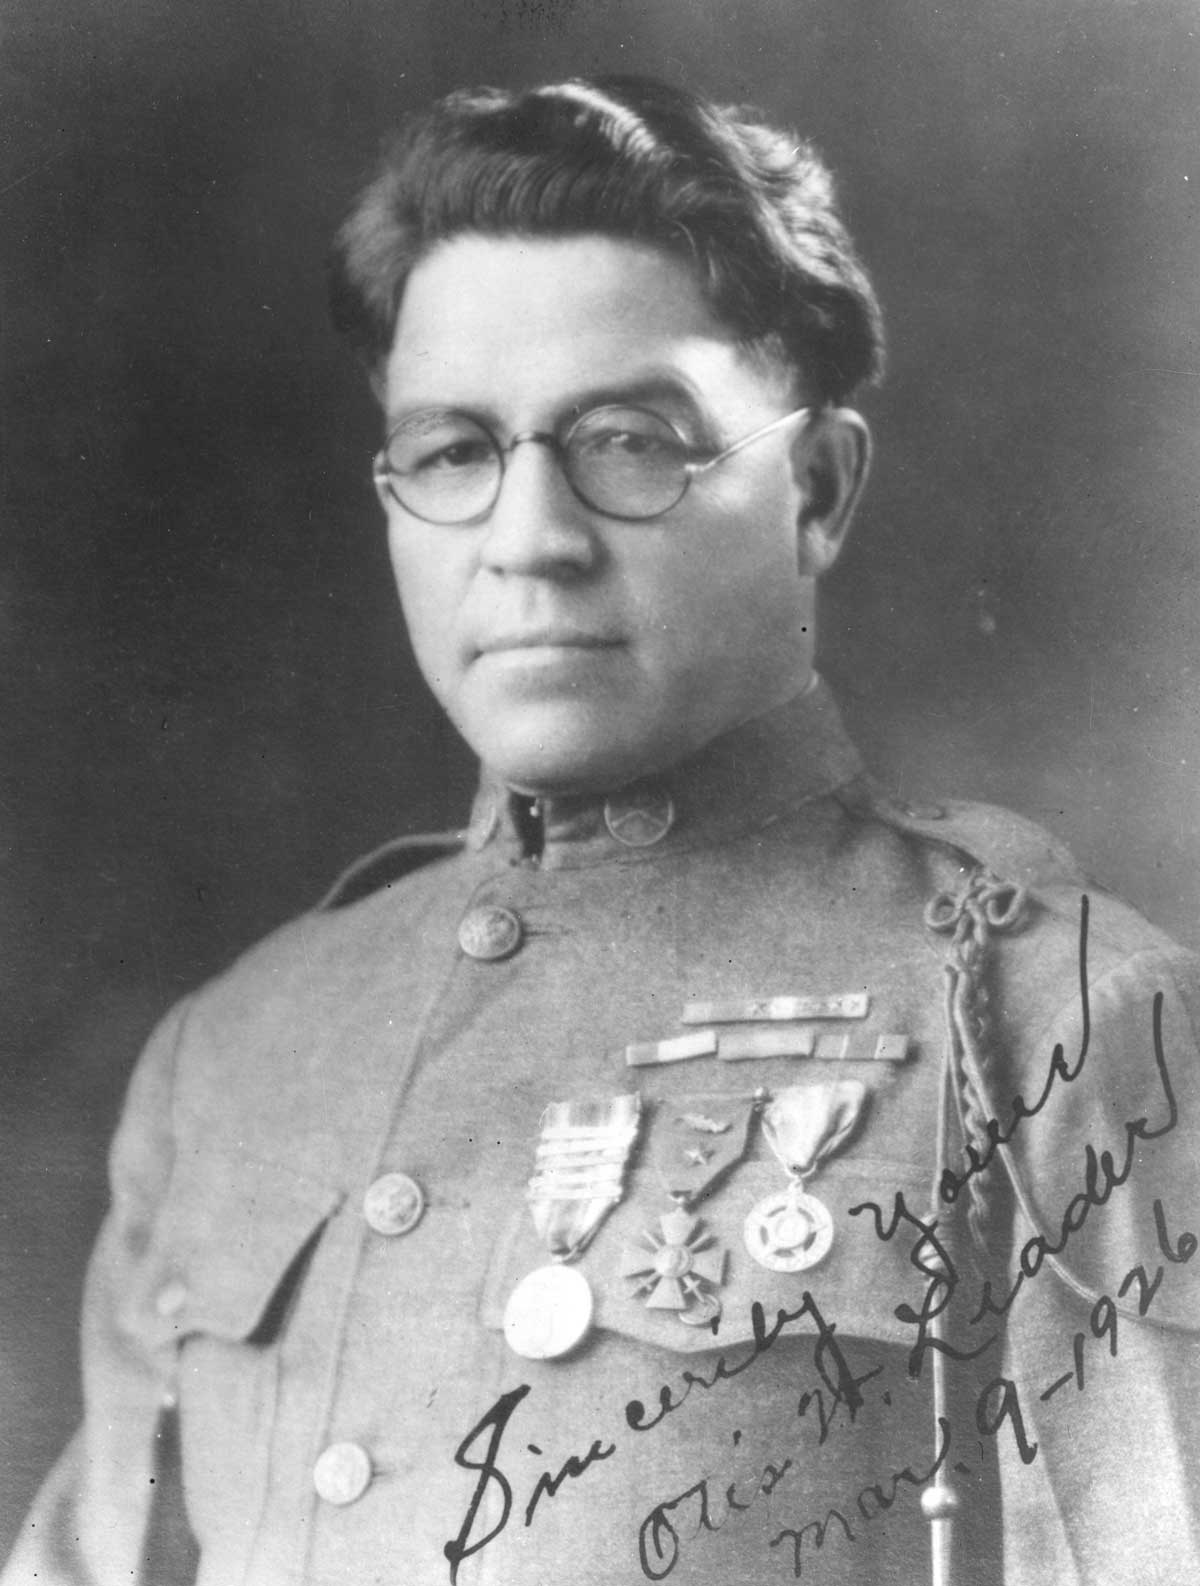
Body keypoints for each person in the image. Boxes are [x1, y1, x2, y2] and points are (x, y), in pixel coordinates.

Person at [5, 74, 1198, 1586]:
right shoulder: (231, 1052)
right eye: (453, 453)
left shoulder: (1062, 1025)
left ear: (816, 490)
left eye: (630, 439)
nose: (529, 539)